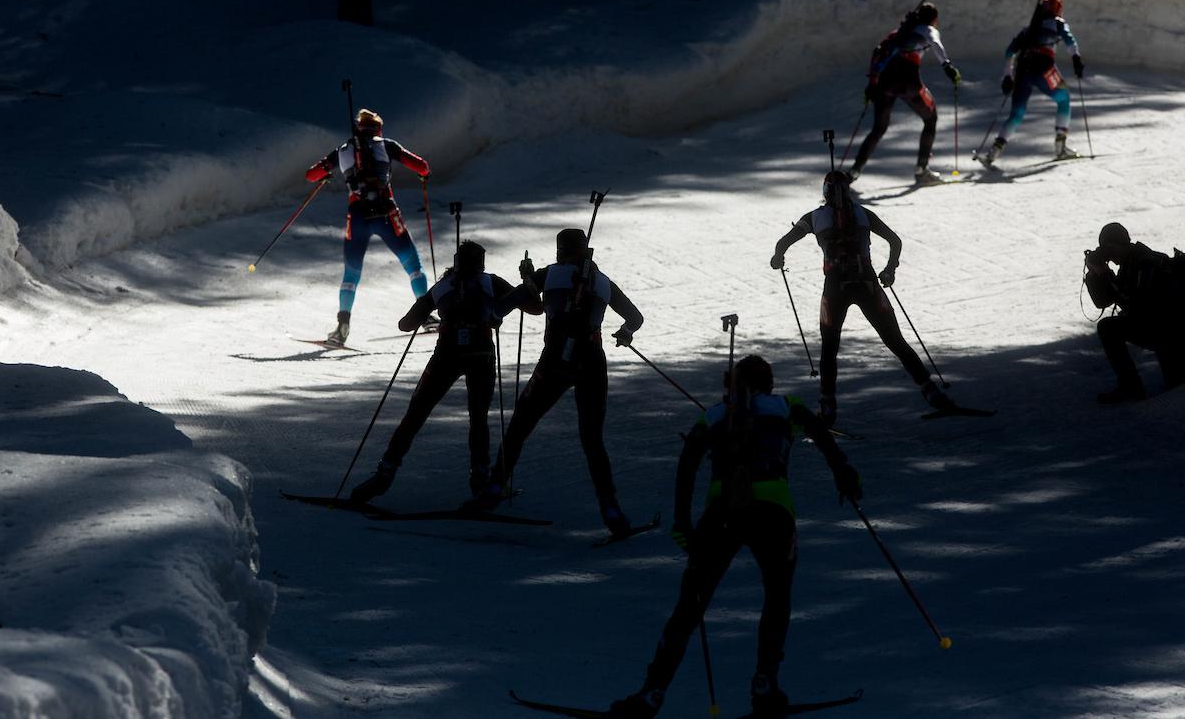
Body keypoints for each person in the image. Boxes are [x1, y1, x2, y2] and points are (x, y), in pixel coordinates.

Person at [608, 355, 862, 719]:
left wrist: (683, 522)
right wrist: (845, 474)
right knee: (777, 598)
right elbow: (821, 434)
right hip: (775, 513)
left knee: (689, 606)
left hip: (722, 513)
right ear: (770, 384)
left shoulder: (715, 414)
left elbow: (688, 461)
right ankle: (765, 684)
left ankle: (652, 693)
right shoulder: (786, 407)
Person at [466, 228, 644, 533]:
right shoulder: (603, 283)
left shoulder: (551, 274)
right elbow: (635, 318)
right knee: (592, 439)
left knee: (521, 423)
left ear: (561, 251)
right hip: (592, 360)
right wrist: (625, 333)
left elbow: (518, 299)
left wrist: (499, 309)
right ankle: (611, 509)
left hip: (555, 361)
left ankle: (494, 489)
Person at [349, 241, 543, 503]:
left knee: (416, 414)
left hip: (447, 355)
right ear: (482, 263)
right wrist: (526, 283)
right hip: (481, 355)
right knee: (479, 419)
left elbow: (406, 325)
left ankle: (384, 474)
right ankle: (481, 482)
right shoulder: (491, 282)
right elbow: (535, 309)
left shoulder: (444, 286)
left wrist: (432, 308)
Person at [769, 170, 954, 424]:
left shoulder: (814, 218)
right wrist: (890, 270)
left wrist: (778, 259)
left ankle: (827, 407)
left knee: (829, 350)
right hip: (867, 284)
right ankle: (932, 393)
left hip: (835, 288)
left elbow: (783, 243)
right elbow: (895, 241)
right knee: (896, 342)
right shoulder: (863, 214)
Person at [305, 108, 435, 346]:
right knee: (412, 264)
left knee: (351, 274)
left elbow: (311, 175)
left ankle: (342, 326)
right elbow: (422, 166)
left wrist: (327, 175)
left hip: (357, 217)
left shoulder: (343, 151)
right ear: (378, 128)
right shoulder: (387, 145)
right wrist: (423, 176)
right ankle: (426, 316)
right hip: (387, 213)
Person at [849, 1, 962, 185]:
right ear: (934, 19)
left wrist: (871, 85)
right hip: (908, 81)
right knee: (930, 119)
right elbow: (935, 42)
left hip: (884, 82)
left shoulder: (899, 34)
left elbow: (878, 52)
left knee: (879, 128)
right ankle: (921, 170)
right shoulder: (927, 29)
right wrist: (947, 65)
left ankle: (854, 171)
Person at [978, 0, 1085, 167]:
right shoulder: (1058, 23)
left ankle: (994, 152)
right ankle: (1060, 146)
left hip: (1023, 70)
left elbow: (1009, 52)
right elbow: (1069, 40)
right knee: (1063, 99)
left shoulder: (1028, 29)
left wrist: (1007, 75)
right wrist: (1076, 59)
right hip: (1044, 67)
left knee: (1016, 114)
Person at [1085, 222, 1184, 404]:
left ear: (1121, 244)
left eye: (1110, 248)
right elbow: (1102, 301)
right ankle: (1130, 386)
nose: (1109, 255)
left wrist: (1107, 275)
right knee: (1107, 327)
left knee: (1177, 390)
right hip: (1158, 329)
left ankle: (1132, 387)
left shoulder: (1146, 262)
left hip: (1172, 332)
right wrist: (1095, 275)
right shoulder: (1129, 264)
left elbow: (1137, 304)